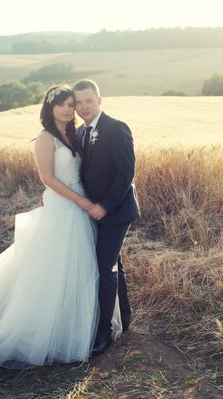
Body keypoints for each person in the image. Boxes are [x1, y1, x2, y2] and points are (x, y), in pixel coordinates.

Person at [0, 85, 101, 369]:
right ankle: (36, 330)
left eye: (69, 104)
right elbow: (48, 179)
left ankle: (71, 327)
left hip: (79, 206)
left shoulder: (74, 135)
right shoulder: (45, 138)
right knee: (52, 268)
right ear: (49, 109)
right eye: (61, 105)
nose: (67, 109)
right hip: (65, 207)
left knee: (78, 267)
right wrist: (81, 201)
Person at [73, 79, 140, 355]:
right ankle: (124, 319)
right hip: (93, 212)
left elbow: (126, 173)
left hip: (116, 210)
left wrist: (105, 206)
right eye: (78, 103)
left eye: (89, 101)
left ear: (99, 101)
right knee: (115, 266)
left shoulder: (116, 128)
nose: (83, 107)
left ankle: (104, 332)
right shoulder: (79, 133)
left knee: (103, 268)